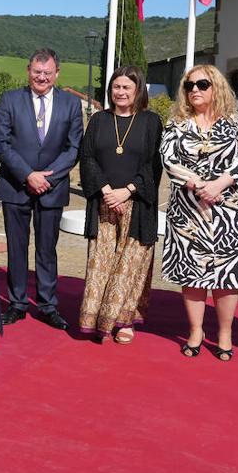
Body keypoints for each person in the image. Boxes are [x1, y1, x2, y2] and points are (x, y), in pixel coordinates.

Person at [160, 64, 238, 361]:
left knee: (226, 276)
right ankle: (195, 330)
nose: (194, 90)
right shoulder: (177, 122)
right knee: (191, 272)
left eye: (202, 85)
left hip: (229, 209)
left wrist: (219, 184)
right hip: (188, 209)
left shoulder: (236, 121)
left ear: (215, 86)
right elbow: (167, 157)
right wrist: (196, 183)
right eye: (189, 85)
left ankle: (225, 333)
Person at [0, 48, 84, 331]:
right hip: (16, 186)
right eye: (37, 72)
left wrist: (48, 177)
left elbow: (74, 148)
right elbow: (1, 143)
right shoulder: (10, 99)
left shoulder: (71, 104)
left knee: (47, 250)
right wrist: (27, 175)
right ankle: (17, 303)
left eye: (47, 72)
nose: (41, 77)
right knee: (16, 248)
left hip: (52, 189)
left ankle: (47, 305)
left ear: (57, 73)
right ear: (28, 71)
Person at [77, 66, 162, 344]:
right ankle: (97, 318)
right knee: (102, 264)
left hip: (137, 204)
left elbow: (154, 164)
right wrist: (105, 191)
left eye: (126, 87)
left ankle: (125, 321)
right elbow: (87, 157)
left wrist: (127, 191)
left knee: (130, 266)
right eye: (116, 87)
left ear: (138, 90)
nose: (120, 92)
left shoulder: (150, 121)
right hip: (103, 203)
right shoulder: (100, 120)